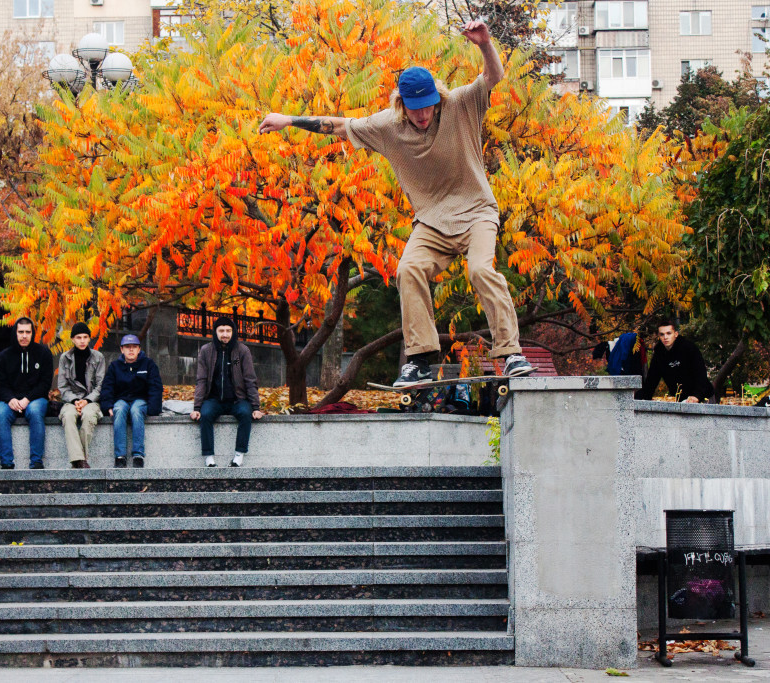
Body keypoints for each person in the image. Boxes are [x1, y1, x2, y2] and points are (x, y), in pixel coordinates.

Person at [259, 20, 533, 386]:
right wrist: (288, 120)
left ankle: (510, 353)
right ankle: (420, 358)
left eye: (428, 108)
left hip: (477, 213)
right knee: (408, 271)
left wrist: (485, 45)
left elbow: (493, 76)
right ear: (401, 103)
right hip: (432, 222)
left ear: (438, 98)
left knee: (480, 271)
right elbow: (340, 125)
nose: (423, 116)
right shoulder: (388, 125)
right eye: (415, 109)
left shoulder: (461, 105)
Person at [190, 316, 264, 467]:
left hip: (237, 399)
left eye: (228, 331)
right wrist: (197, 407)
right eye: (221, 330)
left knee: (245, 413)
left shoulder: (242, 351)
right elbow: (201, 380)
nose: (225, 334)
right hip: (214, 399)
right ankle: (209, 456)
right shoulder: (206, 351)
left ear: (233, 332)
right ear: (215, 332)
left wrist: (256, 407)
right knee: (205, 414)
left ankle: (239, 454)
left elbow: (250, 379)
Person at [0, 317, 53, 470]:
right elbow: (0, 385)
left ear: (33, 334)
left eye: (28, 332)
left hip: (35, 398)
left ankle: (36, 461)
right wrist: (10, 399)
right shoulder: (4, 356)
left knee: (34, 411)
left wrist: (28, 399)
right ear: (15, 333)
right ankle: (6, 462)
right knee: (0, 413)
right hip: (10, 399)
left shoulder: (43, 353)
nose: (24, 336)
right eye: (21, 332)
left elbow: (45, 384)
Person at [98, 334, 163, 468]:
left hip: (140, 400)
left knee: (136, 410)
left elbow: (155, 387)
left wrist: (153, 409)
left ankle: (138, 455)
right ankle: (120, 457)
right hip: (121, 400)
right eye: (128, 347)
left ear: (139, 349)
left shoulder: (148, 364)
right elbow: (107, 387)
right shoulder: (115, 366)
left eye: (134, 347)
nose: (131, 350)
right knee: (119, 410)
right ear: (122, 350)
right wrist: (107, 406)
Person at [57, 322, 106, 469]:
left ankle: (78, 461)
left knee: (89, 416)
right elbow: (62, 386)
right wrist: (75, 400)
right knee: (68, 416)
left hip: (91, 399)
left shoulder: (98, 357)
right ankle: (81, 461)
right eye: (79, 337)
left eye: (85, 337)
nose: (82, 340)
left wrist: (86, 400)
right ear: (72, 339)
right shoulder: (64, 358)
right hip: (71, 400)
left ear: (89, 339)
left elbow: (100, 385)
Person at [635, 320, 714, 403]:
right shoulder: (659, 353)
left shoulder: (689, 348)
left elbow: (701, 374)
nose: (665, 337)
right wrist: (642, 399)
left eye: (669, 333)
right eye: (662, 334)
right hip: (680, 399)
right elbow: (652, 380)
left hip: (703, 397)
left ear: (675, 334)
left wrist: (697, 396)